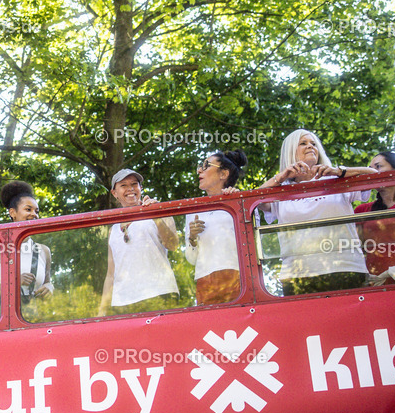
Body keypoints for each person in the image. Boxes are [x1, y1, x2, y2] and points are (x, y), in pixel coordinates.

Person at [257, 130, 376, 295]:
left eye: (313, 144)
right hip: (297, 276)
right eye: (303, 143)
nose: (310, 147)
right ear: (290, 151)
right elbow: (254, 201)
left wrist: (339, 171)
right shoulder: (279, 190)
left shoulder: (337, 180)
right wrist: (281, 176)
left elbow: (376, 176)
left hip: (346, 268)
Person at [98, 169, 179, 315]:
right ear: (114, 193)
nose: (130, 188)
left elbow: (173, 245)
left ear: (140, 188)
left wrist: (155, 214)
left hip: (160, 293)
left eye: (134, 184)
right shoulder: (113, 230)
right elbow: (110, 274)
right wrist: (102, 310)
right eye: (123, 185)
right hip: (124, 302)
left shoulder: (160, 211)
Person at [185, 150, 248, 304]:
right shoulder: (193, 211)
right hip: (205, 281)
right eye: (200, 166)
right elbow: (191, 260)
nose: (199, 170)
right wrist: (192, 238)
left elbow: (252, 244)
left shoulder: (242, 204)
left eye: (206, 166)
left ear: (223, 174)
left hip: (238, 277)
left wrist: (236, 201)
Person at [355, 151, 395, 278]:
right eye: (369, 169)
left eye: (378, 167)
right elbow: (354, 249)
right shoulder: (362, 210)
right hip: (376, 282)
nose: (371, 173)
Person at [0, 181, 53, 306]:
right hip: (1, 315)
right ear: (12, 213)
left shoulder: (44, 251)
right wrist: (14, 282)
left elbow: (47, 282)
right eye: (28, 209)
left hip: (33, 315)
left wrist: (49, 287)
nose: (34, 214)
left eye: (37, 211)